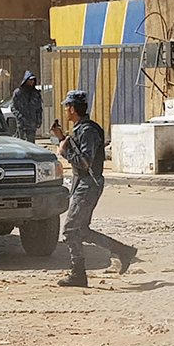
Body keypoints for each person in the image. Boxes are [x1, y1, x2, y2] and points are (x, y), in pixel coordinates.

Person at [51, 90, 136, 288]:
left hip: (88, 184)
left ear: (72, 108)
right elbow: (78, 150)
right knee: (82, 230)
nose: (65, 110)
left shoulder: (87, 130)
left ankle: (78, 274)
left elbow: (85, 161)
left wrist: (64, 152)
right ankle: (123, 251)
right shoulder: (82, 129)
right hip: (84, 184)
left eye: (66, 107)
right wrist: (62, 137)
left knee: (71, 229)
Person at [11, 72, 43, 139]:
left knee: (31, 144)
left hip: (32, 124)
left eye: (33, 80)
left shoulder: (36, 94)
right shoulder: (18, 93)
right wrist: (20, 117)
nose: (32, 82)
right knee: (21, 143)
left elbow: (39, 108)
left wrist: (39, 120)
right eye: (30, 80)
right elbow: (13, 107)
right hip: (22, 124)